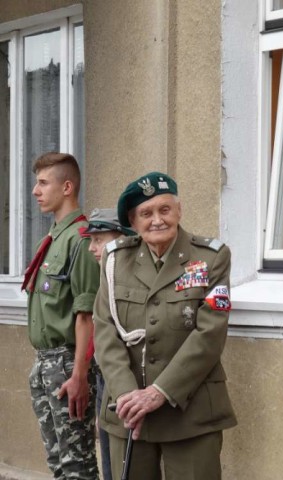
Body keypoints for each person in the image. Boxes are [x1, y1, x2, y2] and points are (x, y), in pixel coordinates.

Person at [93, 172, 237, 480]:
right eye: (146, 213)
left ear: (179, 211)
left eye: (164, 209)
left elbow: (210, 334)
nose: (157, 220)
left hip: (191, 413)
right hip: (129, 414)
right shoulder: (116, 260)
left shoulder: (211, 258)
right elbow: (105, 332)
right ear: (133, 221)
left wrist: (160, 392)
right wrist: (127, 395)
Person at [24, 152, 100, 479]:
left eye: (43, 183)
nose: (35, 191)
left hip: (69, 363)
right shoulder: (53, 239)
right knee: (58, 463)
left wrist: (80, 373)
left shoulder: (81, 240)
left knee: (77, 464)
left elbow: (88, 315)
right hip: (45, 363)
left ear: (67, 187)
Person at [85, 208, 135, 480]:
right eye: (91, 240)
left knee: (128, 461)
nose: (93, 248)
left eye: (99, 239)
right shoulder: (107, 275)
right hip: (106, 377)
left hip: (127, 382)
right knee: (110, 459)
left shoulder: (132, 276)